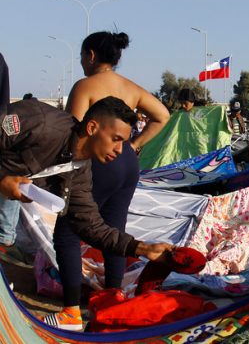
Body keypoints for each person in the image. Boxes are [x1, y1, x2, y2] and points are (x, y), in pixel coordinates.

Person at [0, 97, 172, 330]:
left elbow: (89, 224)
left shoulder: (80, 170)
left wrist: (143, 248)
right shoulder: (40, 123)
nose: (120, 150)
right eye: (116, 140)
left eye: (125, 142)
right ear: (92, 128)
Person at [63, 31, 170, 326]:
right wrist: (135, 145)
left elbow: (74, 131)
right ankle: (112, 300)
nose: (82, 62)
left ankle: (71, 309)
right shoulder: (132, 88)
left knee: (68, 229)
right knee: (115, 229)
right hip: (126, 161)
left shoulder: (85, 86)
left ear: (91, 56)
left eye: (82, 57)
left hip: (99, 159)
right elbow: (162, 115)